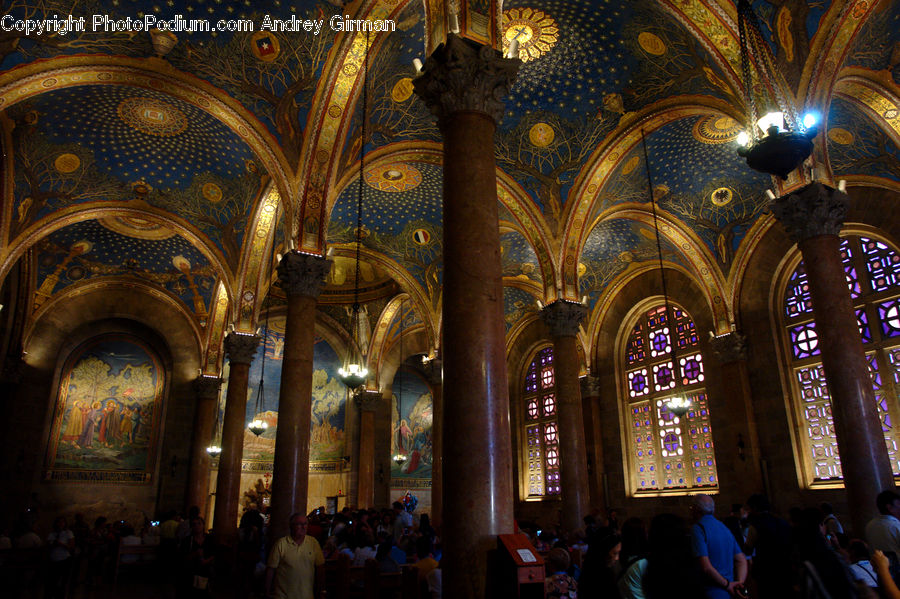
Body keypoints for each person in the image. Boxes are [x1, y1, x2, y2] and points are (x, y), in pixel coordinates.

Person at [689, 494, 747, 599]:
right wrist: (739, 583)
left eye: (691, 508)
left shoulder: (698, 529)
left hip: (711, 591)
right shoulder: (724, 528)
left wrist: (727, 585)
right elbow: (741, 560)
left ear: (696, 509)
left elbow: (706, 567)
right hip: (729, 593)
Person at [266, 513, 325, 599]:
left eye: (305, 524)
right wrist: (266, 592)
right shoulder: (281, 544)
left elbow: (320, 568)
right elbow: (271, 569)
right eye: (300, 524)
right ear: (291, 526)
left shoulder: (313, 543)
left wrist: (321, 591)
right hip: (283, 596)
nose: (303, 527)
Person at [866, 489, 900, 561]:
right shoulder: (896, 526)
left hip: (880, 568)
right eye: (899, 505)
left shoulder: (870, 525)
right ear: (890, 508)